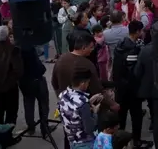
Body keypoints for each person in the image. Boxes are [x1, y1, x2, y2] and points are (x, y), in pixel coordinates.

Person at [112, 20, 151, 149]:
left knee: (121, 116)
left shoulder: (120, 44)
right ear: (138, 32)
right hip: (131, 89)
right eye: (142, 31)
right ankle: (136, 141)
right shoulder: (133, 49)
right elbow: (133, 72)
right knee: (136, 116)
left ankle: (119, 142)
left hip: (120, 88)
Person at [0, 26, 23, 134]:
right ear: (7, 36)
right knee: (11, 113)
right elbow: (19, 71)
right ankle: (7, 137)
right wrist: (8, 82)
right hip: (8, 88)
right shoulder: (13, 50)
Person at [57, 69, 104, 149]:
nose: (88, 85)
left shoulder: (63, 95)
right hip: (85, 142)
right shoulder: (83, 104)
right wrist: (95, 113)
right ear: (82, 84)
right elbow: (89, 128)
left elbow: (63, 114)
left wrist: (89, 101)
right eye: (88, 83)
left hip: (71, 140)